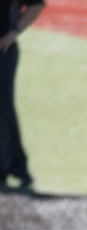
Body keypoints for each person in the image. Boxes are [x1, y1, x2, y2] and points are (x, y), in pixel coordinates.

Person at [1, 0, 45, 193]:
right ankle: (16, 167)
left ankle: (13, 167)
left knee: (3, 109)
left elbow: (36, 5)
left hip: (3, 51)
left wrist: (14, 32)